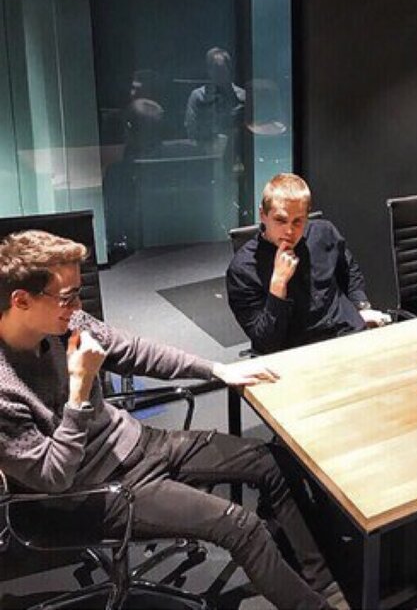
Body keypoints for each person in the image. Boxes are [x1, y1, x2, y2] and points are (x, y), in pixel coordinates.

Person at [0, 230, 348, 609]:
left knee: (271, 462)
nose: (78, 306)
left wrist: (217, 370)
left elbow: (134, 350)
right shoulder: (4, 388)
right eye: (67, 297)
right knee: (240, 525)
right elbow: (54, 477)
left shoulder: (67, 321)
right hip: (92, 491)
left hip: (136, 442)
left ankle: (325, 584)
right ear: (22, 300)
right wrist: (80, 392)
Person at [227, 173, 388, 354]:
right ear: (263, 215)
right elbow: (266, 343)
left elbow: (349, 270)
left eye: (298, 221)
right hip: (299, 351)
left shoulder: (324, 233)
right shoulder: (243, 269)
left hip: (348, 333)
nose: (289, 231)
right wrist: (278, 285)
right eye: (280, 220)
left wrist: (361, 306)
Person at [184, 47, 246, 144]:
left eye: (222, 70)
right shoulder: (198, 96)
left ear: (229, 69)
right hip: (206, 148)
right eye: (215, 70)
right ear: (208, 71)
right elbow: (191, 127)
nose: (218, 74)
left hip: (236, 148)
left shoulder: (243, 97)